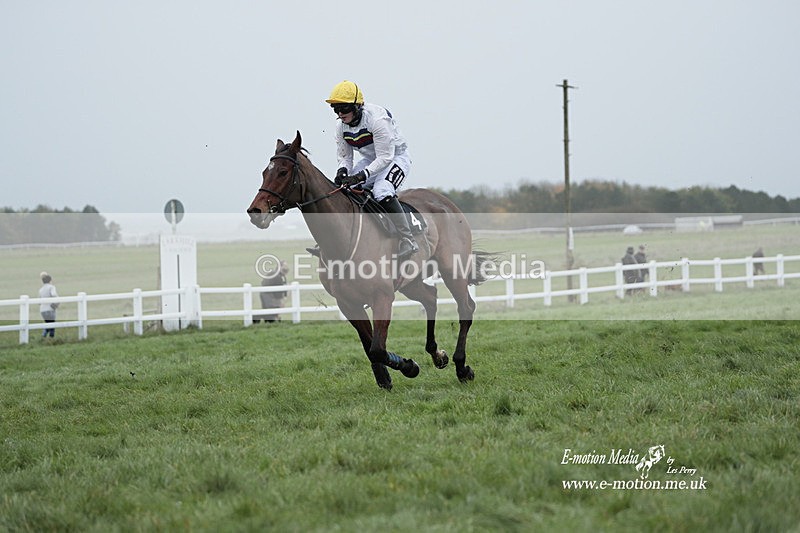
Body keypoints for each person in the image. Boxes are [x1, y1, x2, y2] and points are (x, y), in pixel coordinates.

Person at [326, 80, 419, 259]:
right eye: (336, 109)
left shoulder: (377, 120)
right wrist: (342, 172)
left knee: (382, 190)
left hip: (395, 158)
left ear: (357, 106)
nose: (339, 114)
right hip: (371, 160)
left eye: (344, 109)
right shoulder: (341, 126)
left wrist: (362, 175)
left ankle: (408, 239)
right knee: (342, 190)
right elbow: (345, 157)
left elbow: (385, 157)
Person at [38, 271, 59, 338]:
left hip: (42, 310)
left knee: (48, 324)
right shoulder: (51, 287)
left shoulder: (41, 290)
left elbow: (39, 302)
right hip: (50, 309)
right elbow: (54, 295)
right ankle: (50, 338)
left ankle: (43, 337)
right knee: (52, 325)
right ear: (50, 280)